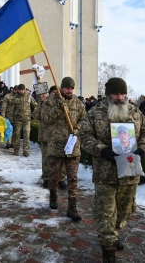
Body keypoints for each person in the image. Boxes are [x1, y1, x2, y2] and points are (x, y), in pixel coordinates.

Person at [79, 77, 145, 262]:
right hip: (106, 173)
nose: (119, 97)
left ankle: (114, 232)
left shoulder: (135, 112)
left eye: (122, 93)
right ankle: (108, 249)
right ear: (108, 94)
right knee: (105, 213)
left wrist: (143, 148)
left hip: (129, 171)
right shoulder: (96, 113)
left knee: (125, 210)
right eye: (115, 93)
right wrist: (102, 150)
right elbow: (85, 136)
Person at [42, 77, 86, 222]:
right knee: (54, 175)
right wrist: (58, 108)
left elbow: (83, 119)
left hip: (72, 146)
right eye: (67, 88)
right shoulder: (51, 101)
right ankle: (53, 197)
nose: (70, 91)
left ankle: (72, 208)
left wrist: (77, 129)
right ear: (61, 88)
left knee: (72, 178)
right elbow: (46, 119)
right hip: (56, 146)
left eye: (72, 88)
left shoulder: (78, 103)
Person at [33, 86, 67, 189]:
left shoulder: (62, 103)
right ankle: (47, 178)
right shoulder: (44, 102)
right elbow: (35, 116)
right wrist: (42, 104)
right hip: (46, 135)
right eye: (53, 92)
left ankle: (60, 179)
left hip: (60, 136)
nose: (55, 94)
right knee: (47, 158)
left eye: (57, 92)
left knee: (61, 158)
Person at [11, 84, 37, 157]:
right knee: (16, 135)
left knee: (26, 135)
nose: (21, 91)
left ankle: (25, 150)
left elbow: (35, 106)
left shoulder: (29, 97)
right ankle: (16, 150)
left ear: (25, 90)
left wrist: (33, 114)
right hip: (17, 119)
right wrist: (11, 119)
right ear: (18, 90)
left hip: (27, 119)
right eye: (20, 90)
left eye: (22, 90)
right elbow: (11, 109)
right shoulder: (15, 98)